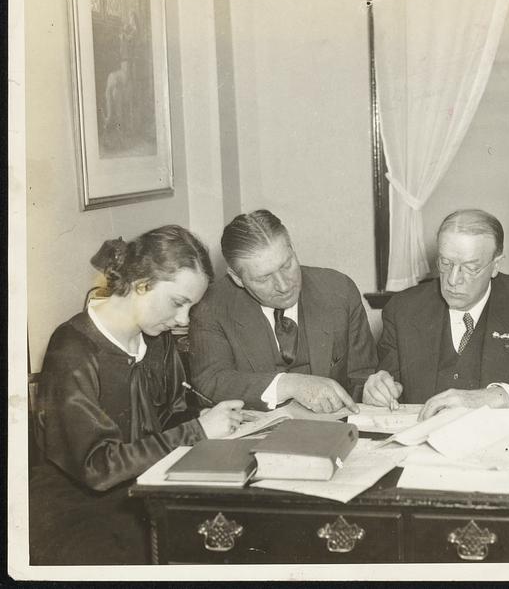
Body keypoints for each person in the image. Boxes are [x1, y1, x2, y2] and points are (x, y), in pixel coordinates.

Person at [30, 226, 246, 565]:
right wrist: (198, 431)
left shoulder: (158, 342)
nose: (183, 320)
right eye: (178, 303)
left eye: (190, 308)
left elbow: (175, 415)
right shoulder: (73, 349)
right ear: (141, 284)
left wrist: (212, 423)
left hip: (146, 493)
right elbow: (99, 467)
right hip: (82, 512)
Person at [364, 209, 509, 420]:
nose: (452, 279)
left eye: (470, 267)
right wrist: (378, 391)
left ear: (495, 265)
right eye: (445, 263)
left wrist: (494, 397)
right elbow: (387, 385)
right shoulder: (403, 309)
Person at [189, 209, 376, 414]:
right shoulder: (212, 306)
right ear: (237, 278)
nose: (284, 285)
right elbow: (209, 383)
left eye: (287, 265)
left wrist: (374, 389)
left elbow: (361, 377)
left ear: (293, 250)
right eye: (263, 278)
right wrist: (289, 385)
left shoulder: (339, 291)